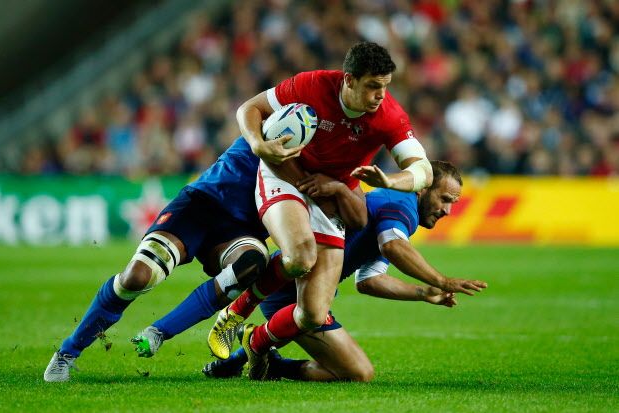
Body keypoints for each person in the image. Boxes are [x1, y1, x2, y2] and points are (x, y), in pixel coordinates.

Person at [207, 42, 435, 380]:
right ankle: (235, 312)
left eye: (385, 86)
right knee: (300, 255)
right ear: (349, 80)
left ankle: (256, 344)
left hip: (328, 194)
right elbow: (250, 108)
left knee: (313, 313)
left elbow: (424, 171)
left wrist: (390, 179)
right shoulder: (311, 85)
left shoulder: (388, 116)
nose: (380, 95)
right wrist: (257, 144)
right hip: (285, 174)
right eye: (373, 86)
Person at [137, 161, 486, 381]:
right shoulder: (403, 204)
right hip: (295, 294)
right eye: (445, 200)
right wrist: (441, 279)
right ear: (423, 188)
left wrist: (426, 294)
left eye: (452, 204)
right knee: (358, 372)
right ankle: (259, 347)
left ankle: (251, 358)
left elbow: (369, 281)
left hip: (290, 287)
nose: (447, 211)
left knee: (356, 370)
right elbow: (393, 246)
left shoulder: (396, 213)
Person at [43, 137, 271, 382]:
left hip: (244, 228)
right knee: (135, 278)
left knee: (252, 263)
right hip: (202, 203)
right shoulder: (271, 115)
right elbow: (249, 111)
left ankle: (158, 332)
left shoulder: (313, 165)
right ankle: (67, 353)